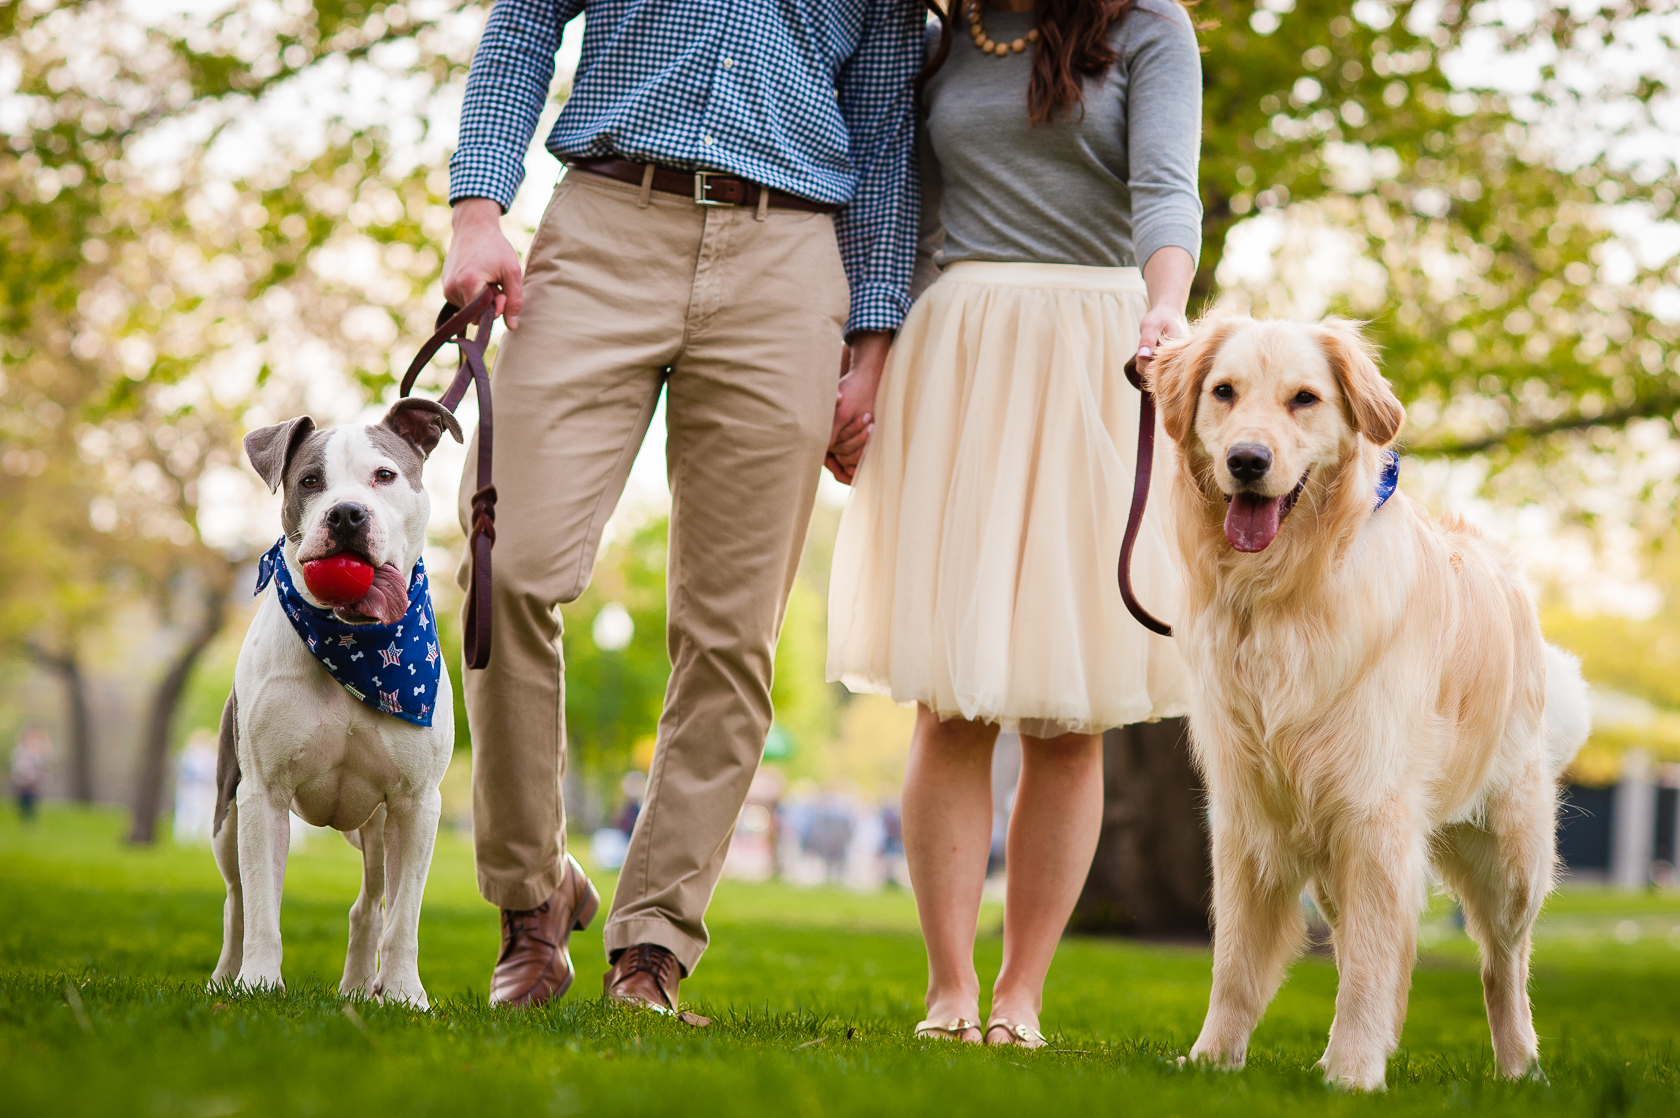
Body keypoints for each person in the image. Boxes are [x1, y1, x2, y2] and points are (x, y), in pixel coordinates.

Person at [442, 0, 924, 1019]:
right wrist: (479, 208)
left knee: (731, 631)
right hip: (608, 222)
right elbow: (525, 24)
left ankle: (652, 944)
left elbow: (884, 134)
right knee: (505, 567)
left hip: (788, 254)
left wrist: (874, 339)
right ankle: (533, 900)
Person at [826, 0, 1203, 1047]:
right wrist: (866, 363)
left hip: (1098, 351)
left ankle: (1020, 994)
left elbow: (1167, 192)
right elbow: (903, 218)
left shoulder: (1148, 26)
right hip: (962, 359)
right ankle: (950, 989)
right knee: (949, 700)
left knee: (1067, 710)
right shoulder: (939, 35)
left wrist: (1166, 304)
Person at [10, 724, 50, 823]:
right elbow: (18, 765)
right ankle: (24, 818)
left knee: (33, 800)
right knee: (24, 799)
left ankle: (31, 819)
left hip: (34, 781)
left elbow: (42, 765)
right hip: (23, 780)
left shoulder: (39, 752)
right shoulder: (20, 750)